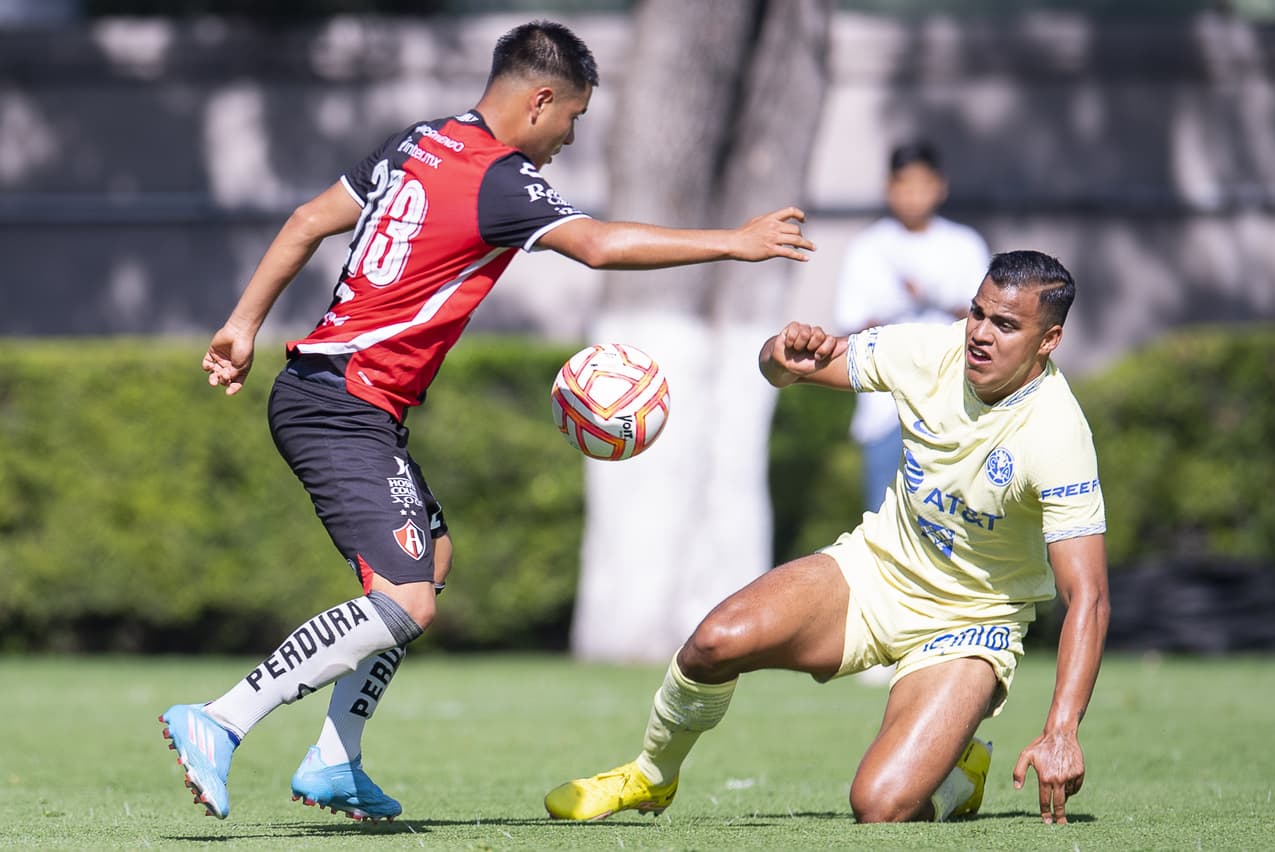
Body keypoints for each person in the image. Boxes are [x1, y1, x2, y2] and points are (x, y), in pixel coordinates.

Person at [158, 19, 813, 822]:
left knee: (431, 557)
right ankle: (221, 721)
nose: (571, 137)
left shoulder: (419, 141)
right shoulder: (499, 178)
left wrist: (242, 325)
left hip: (335, 393)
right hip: (342, 405)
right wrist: (734, 242)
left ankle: (335, 757)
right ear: (541, 100)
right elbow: (599, 246)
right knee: (407, 600)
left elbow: (303, 221)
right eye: (573, 117)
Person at [545, 250, 1110, 826]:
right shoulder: (927, 351)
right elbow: (784, 368)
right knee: (714, 642)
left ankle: (955, 775)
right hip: (875, 572)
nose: (981, 335)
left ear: (1050, 340)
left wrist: (1061, 730)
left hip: (971, 621)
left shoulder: (1057, 433)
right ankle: (651, 776)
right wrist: (780, 353)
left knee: (880, 806)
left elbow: (1087, 596)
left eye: (1006, 325)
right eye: (978, 313)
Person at [834, 140, 990, 514]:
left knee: (953, 522)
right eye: (904, 185)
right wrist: (902, 305)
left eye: (922, 185)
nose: (913, 196)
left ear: (940, 187)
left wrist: (933, 296)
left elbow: (985, 322)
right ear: (889, 189)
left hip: (955, 406)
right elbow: (851, 326)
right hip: (885, 410)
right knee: (883, 520)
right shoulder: (868, 248)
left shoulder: (964, 245)